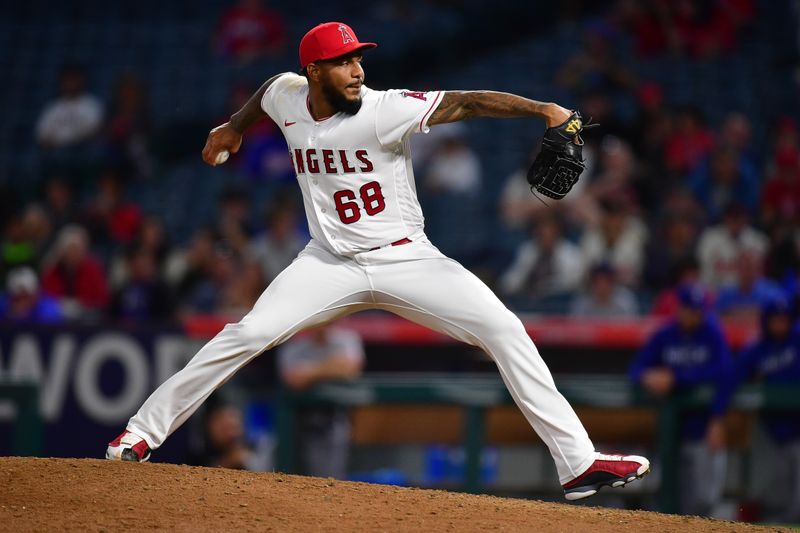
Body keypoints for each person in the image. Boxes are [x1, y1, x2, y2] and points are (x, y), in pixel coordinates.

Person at [107, 21, 649, 501]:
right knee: (247, 334)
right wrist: (233, 127)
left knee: (505, 329)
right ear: (314, 71)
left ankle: (578, 465)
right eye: (344, 61)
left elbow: (467, 101)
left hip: (406, 258)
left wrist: (544, 111)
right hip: (327, 262)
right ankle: (138, 434)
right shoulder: (287, 94)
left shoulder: (384, 108)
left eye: (359, 58)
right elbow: (267, 91)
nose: (357, 70)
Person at [629, 284, 731, 516]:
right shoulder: (666, 334)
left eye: (697, 311)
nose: (693, 315)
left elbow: (724, 372)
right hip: (670, 434)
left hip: (703, 427)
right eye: (688, 309)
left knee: (704, 500)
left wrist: (678, 378)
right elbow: (635, 369)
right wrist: (649, 376)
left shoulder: (711, 333)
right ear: (680, 309)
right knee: (675, 503)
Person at [716, 297, 800, 522]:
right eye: (776, 320)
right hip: (775, 431)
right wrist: (717, 416)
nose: (780, 325)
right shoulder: (758, 349)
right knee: (781, 490)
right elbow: (731, 378)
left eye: (785, 320)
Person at [278, 324, 364, 479]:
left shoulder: (347, 339)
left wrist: (310, 371)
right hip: (299, 420)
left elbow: (350, 368)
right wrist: (331, 367)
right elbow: (294, 379)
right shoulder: (294, 342)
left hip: (337, 417)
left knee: (333, 477)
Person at [570, 262, 638, 318]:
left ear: (613, 283)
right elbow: (574, 329)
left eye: (606, 281)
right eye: (598, 281)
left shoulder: (625, 300)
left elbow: (632, 328)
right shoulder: (582, 302)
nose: (602, 286)